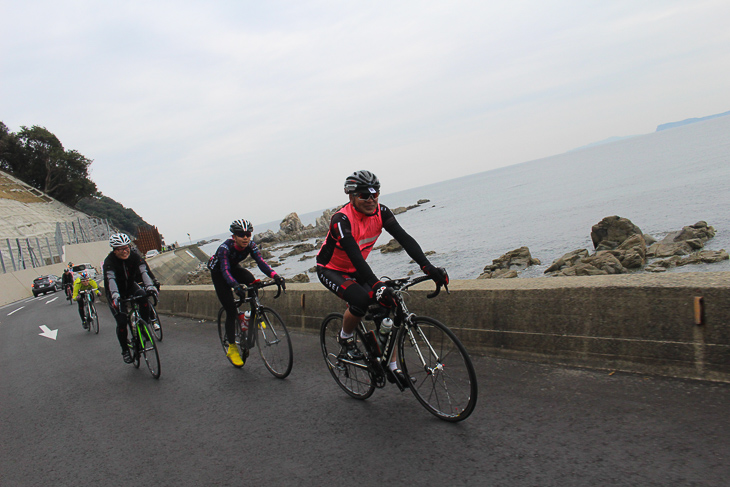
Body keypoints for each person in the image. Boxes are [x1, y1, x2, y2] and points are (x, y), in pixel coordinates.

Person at [316, 170, 449, 386]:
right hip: (331, 269)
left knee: (389, 307)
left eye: (375, 194)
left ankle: (392, 367)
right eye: (364, 195)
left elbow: (405, 239)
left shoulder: (382, 212)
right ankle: (345, 337)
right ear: (351, 197)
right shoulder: (341, 220)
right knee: (360, 299)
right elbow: (354, 255)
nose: (371, 199)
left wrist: (429, 268)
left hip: (356, 268)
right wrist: (377, 285)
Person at [207, 219, 286, 367]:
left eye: (248, 234)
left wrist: (275, 276)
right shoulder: (225, 248)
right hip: (219, 273)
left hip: (233, 268)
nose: (245, 237)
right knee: (230, 310)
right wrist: (235, 286)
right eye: (241, 234)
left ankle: (253, 314)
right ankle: (232, 347)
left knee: (252, 281)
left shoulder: (251, 245)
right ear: (234, 236)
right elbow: (225, 271)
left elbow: (261, 263)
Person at [103, 233, 159, 364]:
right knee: (122, 322)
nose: (124, 251)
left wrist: (150, 286)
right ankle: (125, 350)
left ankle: (144, 328)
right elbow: (111, 279)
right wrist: (115, 295)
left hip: (130, 286)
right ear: (114, 250)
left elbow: (143, 271)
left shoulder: (134, 256)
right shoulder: (109, 262)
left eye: (126, 247)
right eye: (120, 249)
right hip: (115, 292)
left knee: (144, 300)